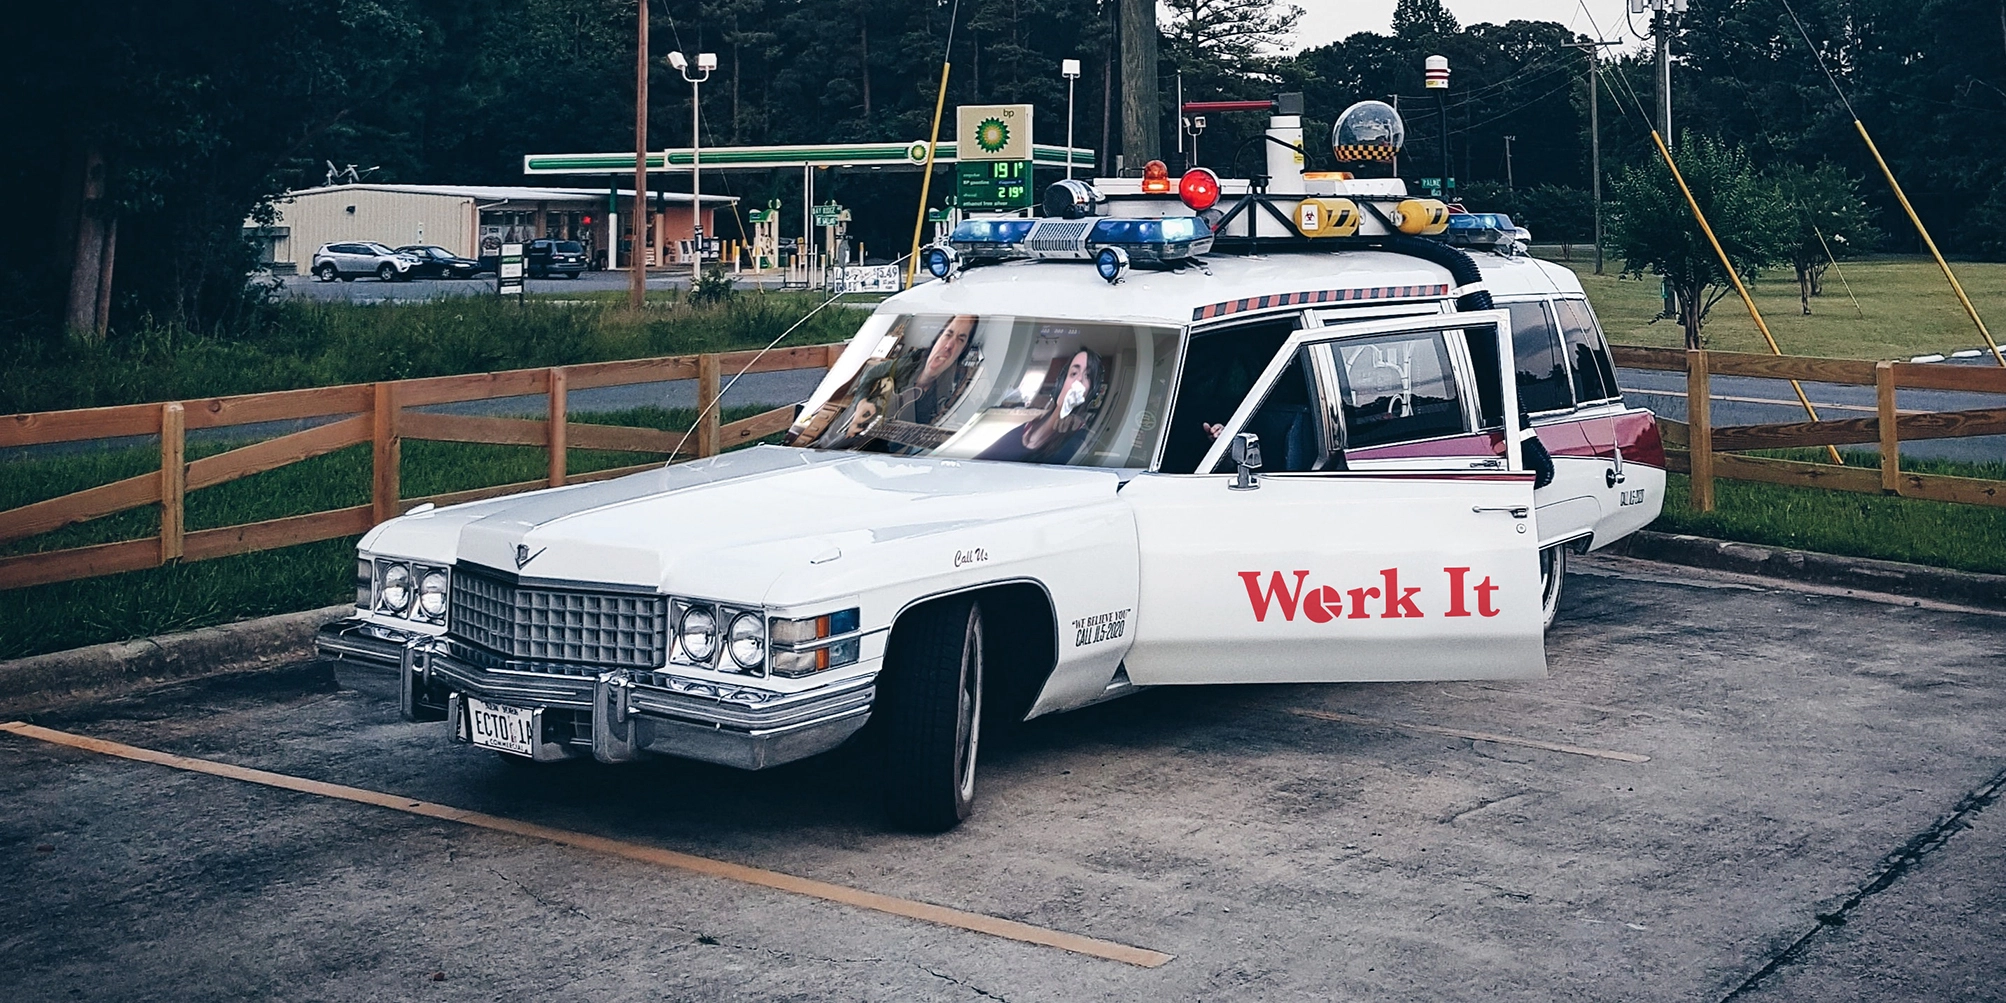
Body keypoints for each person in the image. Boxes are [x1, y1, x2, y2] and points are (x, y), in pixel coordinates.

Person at [978, 349, 1104, 464]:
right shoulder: (1028, 427)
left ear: (1091, 392)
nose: (1079, 380)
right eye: (1074, 373)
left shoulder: (1079, 442)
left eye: (1088, 376)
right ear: (1061, 383)